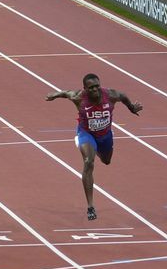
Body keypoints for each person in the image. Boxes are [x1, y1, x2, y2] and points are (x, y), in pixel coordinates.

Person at [45, 74, 142, 220]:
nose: (95, 89)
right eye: (91, 88)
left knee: (107, 161)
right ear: (85, 89)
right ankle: (90, 206)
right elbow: (66, 93)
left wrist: (132, 108)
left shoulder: (110, 95)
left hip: (105, 135)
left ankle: (96, 148)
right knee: (88, 162)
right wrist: (55, 95)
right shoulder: (79, 97)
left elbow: (123, 96)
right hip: (86, 133)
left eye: (97, 86)